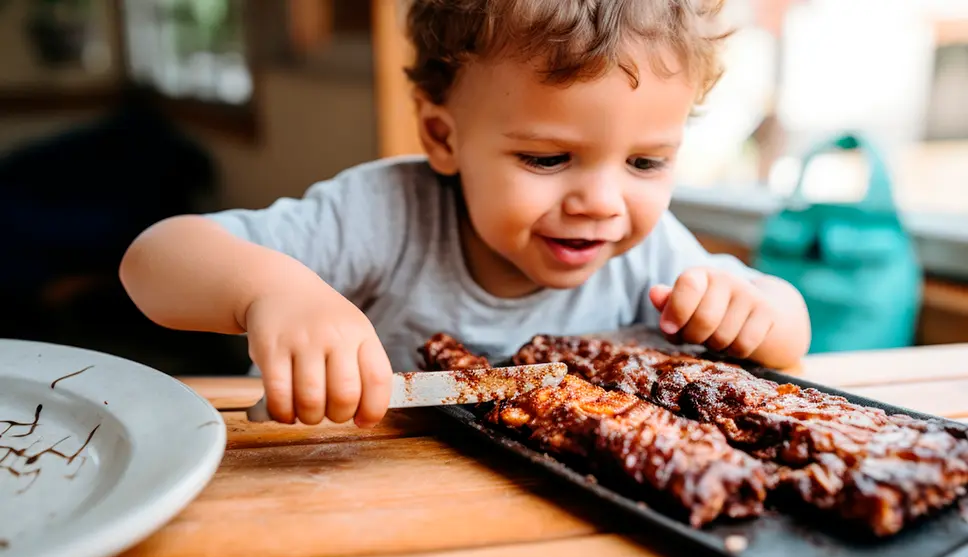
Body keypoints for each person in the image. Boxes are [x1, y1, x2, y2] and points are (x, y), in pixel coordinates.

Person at [119, 0, 811, 429]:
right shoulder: (385, 215)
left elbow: (788, 336)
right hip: (324, 494)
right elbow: (152, 260)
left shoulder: (651, 249)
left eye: (646, 163)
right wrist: (270, 292)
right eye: (546, 159)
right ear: (443, 137)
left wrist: (759, 311)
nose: (602, 202)